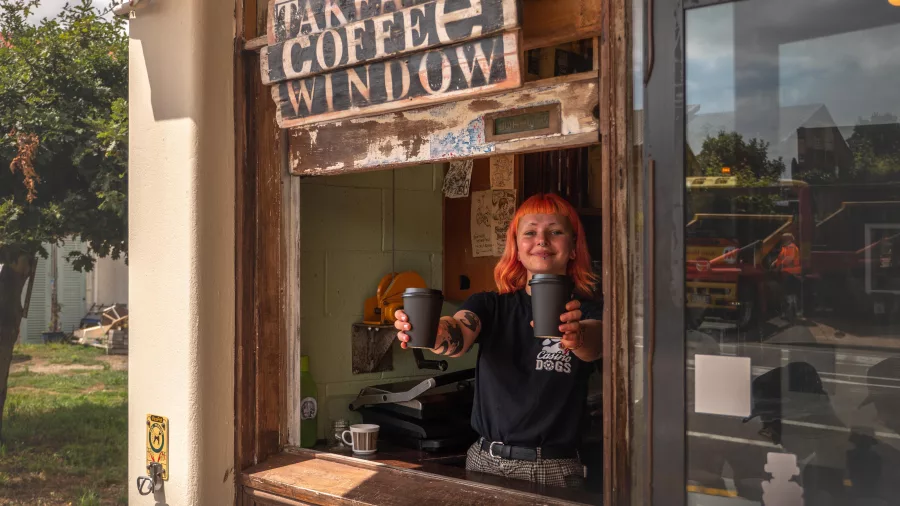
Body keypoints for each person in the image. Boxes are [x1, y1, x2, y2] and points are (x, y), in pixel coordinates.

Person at [393, 193, 603, 488]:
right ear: (517, 248)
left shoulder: (588, 310)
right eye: (529, 232)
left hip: (554, 468)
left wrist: (576, 335)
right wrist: (433, 332)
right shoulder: (491, 305)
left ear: (572, 247)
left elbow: (595, 344)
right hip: (484, 461)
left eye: (555, 232)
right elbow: (458, 333)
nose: (541, 240)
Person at [772, 233, 802, 318]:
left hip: (791, 273)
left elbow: (787, 260)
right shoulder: (785, 248)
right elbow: (780, 258)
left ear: (788, 239)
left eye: (784, 239)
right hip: (787, 273)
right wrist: (774, 263)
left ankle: (790, 313)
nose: (782, 241)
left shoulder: (791, 247)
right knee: (788, 293)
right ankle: (790, 313)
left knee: (788, 293)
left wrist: (777, 268)